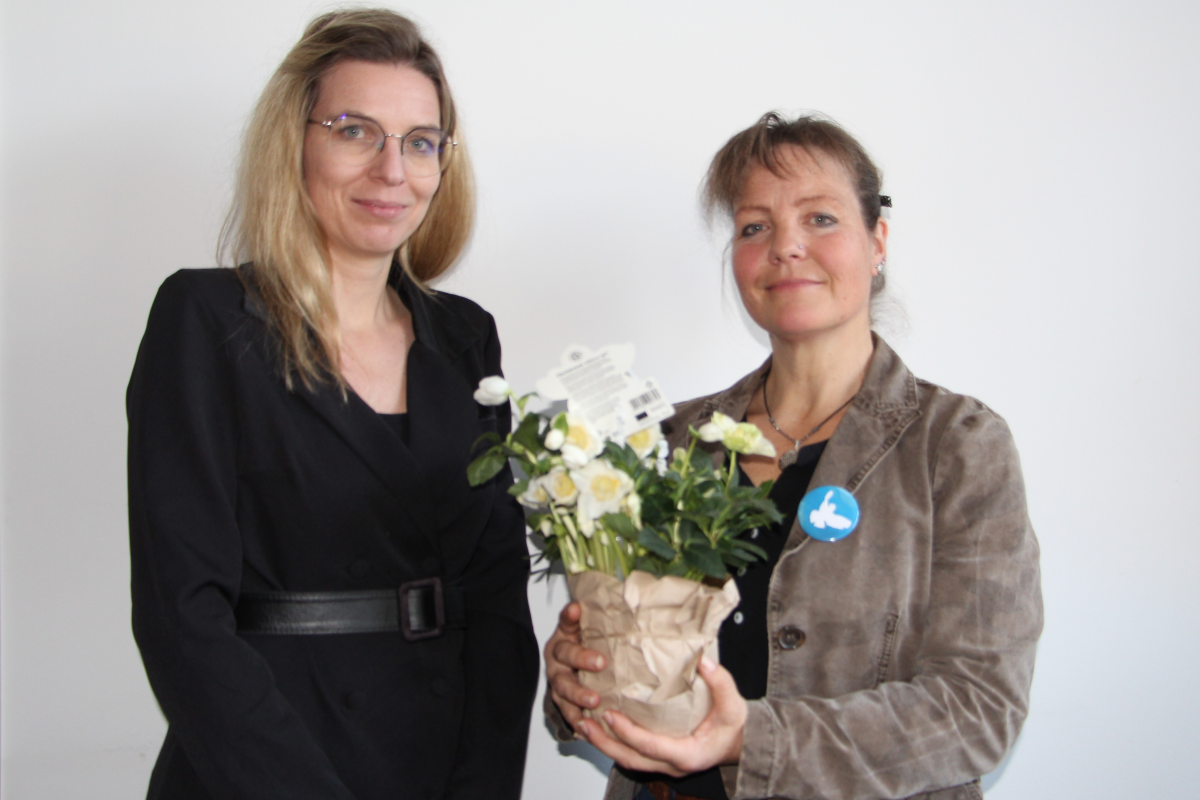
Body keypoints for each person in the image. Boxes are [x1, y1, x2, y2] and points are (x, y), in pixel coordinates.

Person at [544, 113, 1043, 800]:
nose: (786, 247)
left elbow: (978, 711)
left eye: (821, 219)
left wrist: (754, 738)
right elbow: (629, 652)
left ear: (878, 243)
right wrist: (576, 676)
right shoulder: (670, 441)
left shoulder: (956, 445)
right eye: (755, 227)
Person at [127, 10, 537, 800]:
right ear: (295, 144)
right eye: (355, 131)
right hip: (261, 767)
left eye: (420, 141)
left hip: (442, 764)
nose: (393, 170)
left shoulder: (464, 336)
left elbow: (497, 596)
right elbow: (182, 616)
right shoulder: (207, 320)